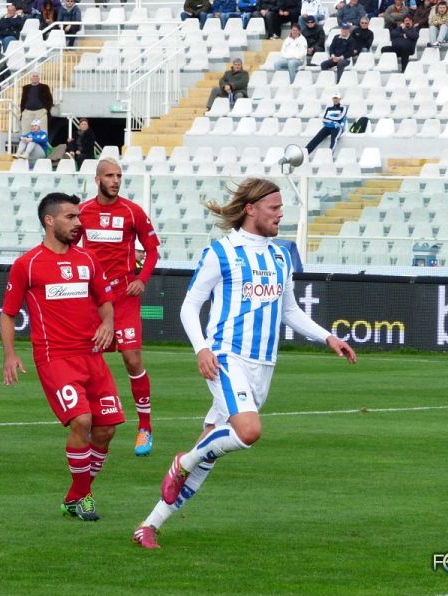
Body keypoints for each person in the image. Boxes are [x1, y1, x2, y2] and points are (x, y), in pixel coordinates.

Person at [132, 177, 356, 549]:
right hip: (226, 357)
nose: (280, 214)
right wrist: (202, 349)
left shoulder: (280, 255)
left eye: (281, 208)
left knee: (210, 453)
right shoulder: (222, 252)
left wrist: (327, 337)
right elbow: (190, 305)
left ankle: (149, 525)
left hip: (263, 365)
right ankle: (183, 461)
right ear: (251, 209)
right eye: (274, 208)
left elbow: (289, 310)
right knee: (248, 432)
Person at [1, 192, 124, 521]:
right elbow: (8, 314)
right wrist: (10, 354)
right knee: (82, 421)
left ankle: (74, 496)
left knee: (107, 429)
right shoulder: (27, 264)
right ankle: (84, 498)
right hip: (55, 357)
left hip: (91, 355)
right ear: (49, 220)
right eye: (71, 217)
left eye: (79, 217)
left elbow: (105, 301)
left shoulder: (88, 260)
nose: (78, 223)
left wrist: (108, 324)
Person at [76, 159, 161, 456]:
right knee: (88, 360)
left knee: (132, 358)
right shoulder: (83, 212)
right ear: (97, 179)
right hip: (93, 298)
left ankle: (145, 427)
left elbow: (152, 250)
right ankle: (91, 419)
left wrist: (142, 279)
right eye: (110, 175)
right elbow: (70, 247)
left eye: (119, 176)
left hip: (124, 295)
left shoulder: (132, 211)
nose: (115, 180)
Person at [305, 91, 348, 155]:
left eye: (337, 98)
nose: (335, 100)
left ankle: (329, 155)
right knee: (316, 139)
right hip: (328, 126)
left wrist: (329, 117)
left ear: (339, 99)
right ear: (332, 99)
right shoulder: (329, 108)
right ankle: (305, 153)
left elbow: (340, 118)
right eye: (334, 98)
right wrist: (334, 118)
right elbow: (324, 119)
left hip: (337, 127)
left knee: (334, 140)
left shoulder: (343, 108)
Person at [19, 71, 53, 136]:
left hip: (41, 113)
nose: (35, 78)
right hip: (27, 113)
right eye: (33, 76)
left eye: (36, 76)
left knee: (42, 132)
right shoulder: (25, 88)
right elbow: (23, 100)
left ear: (39, 78)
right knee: (26, 132)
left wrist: (46, 109)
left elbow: (50, 100)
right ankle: (27, 142)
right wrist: (23, 111)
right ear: (30, 78)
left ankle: (41, 143)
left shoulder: (44, 87)